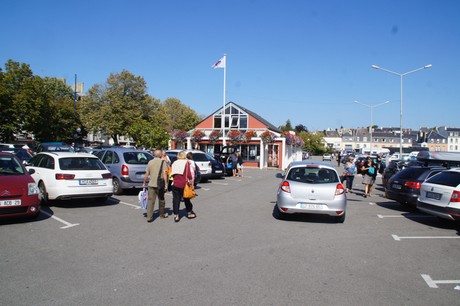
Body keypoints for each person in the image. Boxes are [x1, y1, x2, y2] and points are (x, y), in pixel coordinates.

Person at [143, 149, 169, 222]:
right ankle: (162, 214)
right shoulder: (163, 162)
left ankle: (149, 217)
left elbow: (146, 173)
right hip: (159, 184)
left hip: (151, 184)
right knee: (161, 199)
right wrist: (166, 184)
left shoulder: (150, 162)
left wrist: (144, 182)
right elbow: (164, 173)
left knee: (151, 201)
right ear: (160, 155)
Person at [171, 151, 196, 222]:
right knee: (186, 199)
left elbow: (172, 173)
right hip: (183, 184)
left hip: (175, 183)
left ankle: (176, 215)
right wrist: (191, 182)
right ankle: (189, 212)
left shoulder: (174, 163)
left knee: (176, 200)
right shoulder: (186, 163)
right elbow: (189, 175)